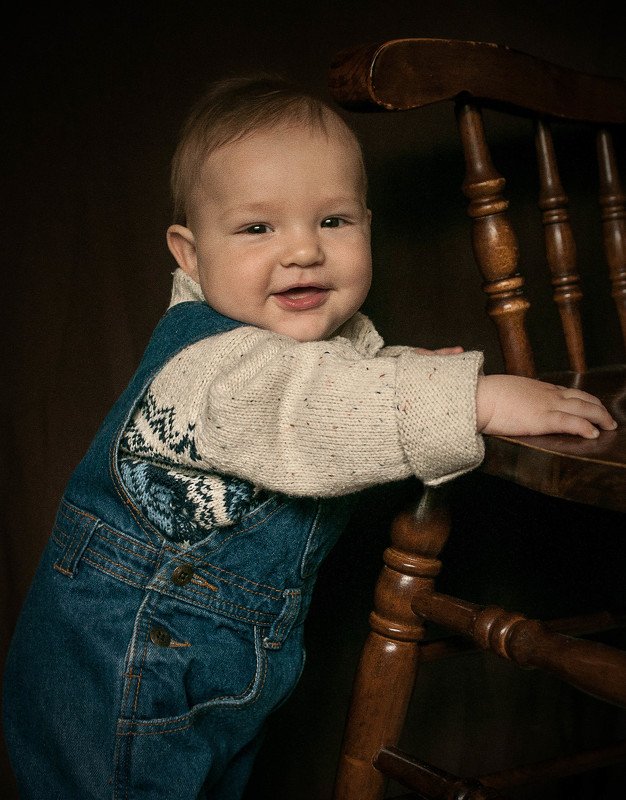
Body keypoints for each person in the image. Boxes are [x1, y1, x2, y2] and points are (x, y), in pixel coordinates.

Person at [3, 74, 616, 800]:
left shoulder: (303, 346)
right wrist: (473, 400)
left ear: (367, 225)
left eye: (333, 221)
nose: (303, 251)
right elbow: (303, 407)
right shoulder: (211, 367)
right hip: (125, 669)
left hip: (207, 663)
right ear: (191, 255)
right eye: (257, 228)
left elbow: (333, 380)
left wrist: (416, 372)